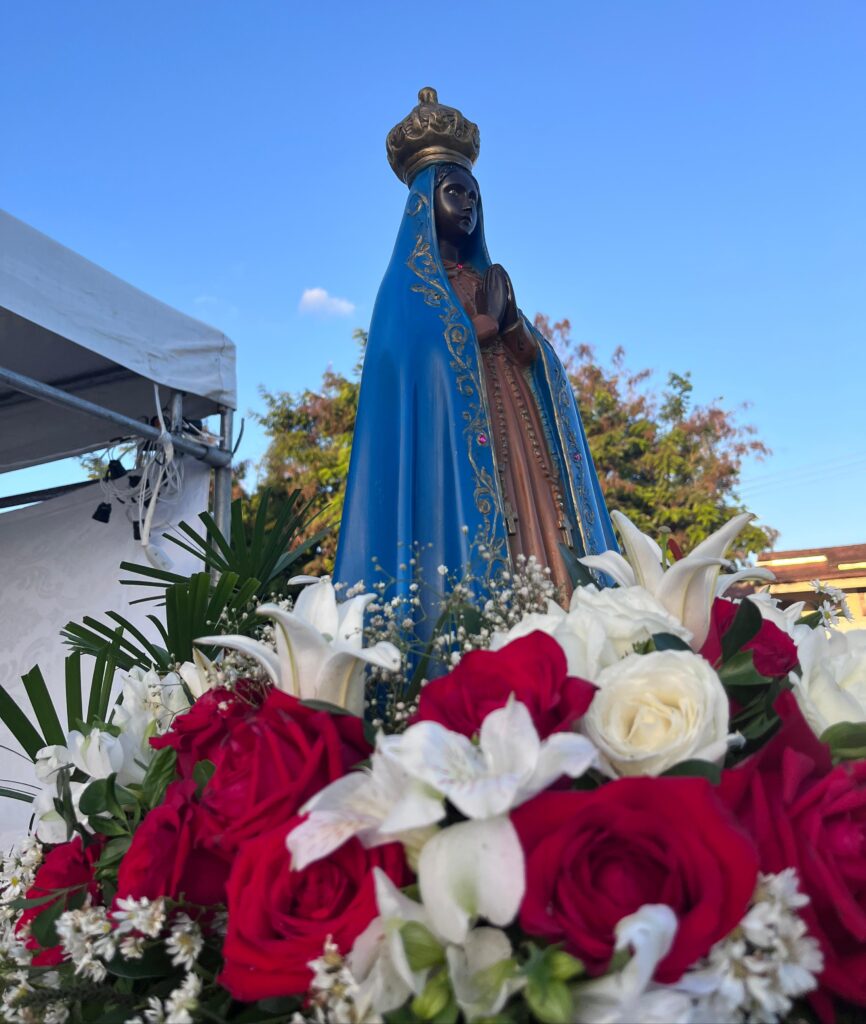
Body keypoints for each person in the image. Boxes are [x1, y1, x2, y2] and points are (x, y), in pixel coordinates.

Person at [335, 88, 616, 629]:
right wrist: (482, 327)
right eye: (455, 193)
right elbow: (420, 360)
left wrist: (512, 326)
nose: (468, 205)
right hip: (454, 447)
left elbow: (538, 362)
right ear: (423, 203)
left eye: (474, 196)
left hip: (516, 428)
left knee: (537, 511)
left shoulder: (487, 279)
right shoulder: (406, 290)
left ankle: (558, 607)